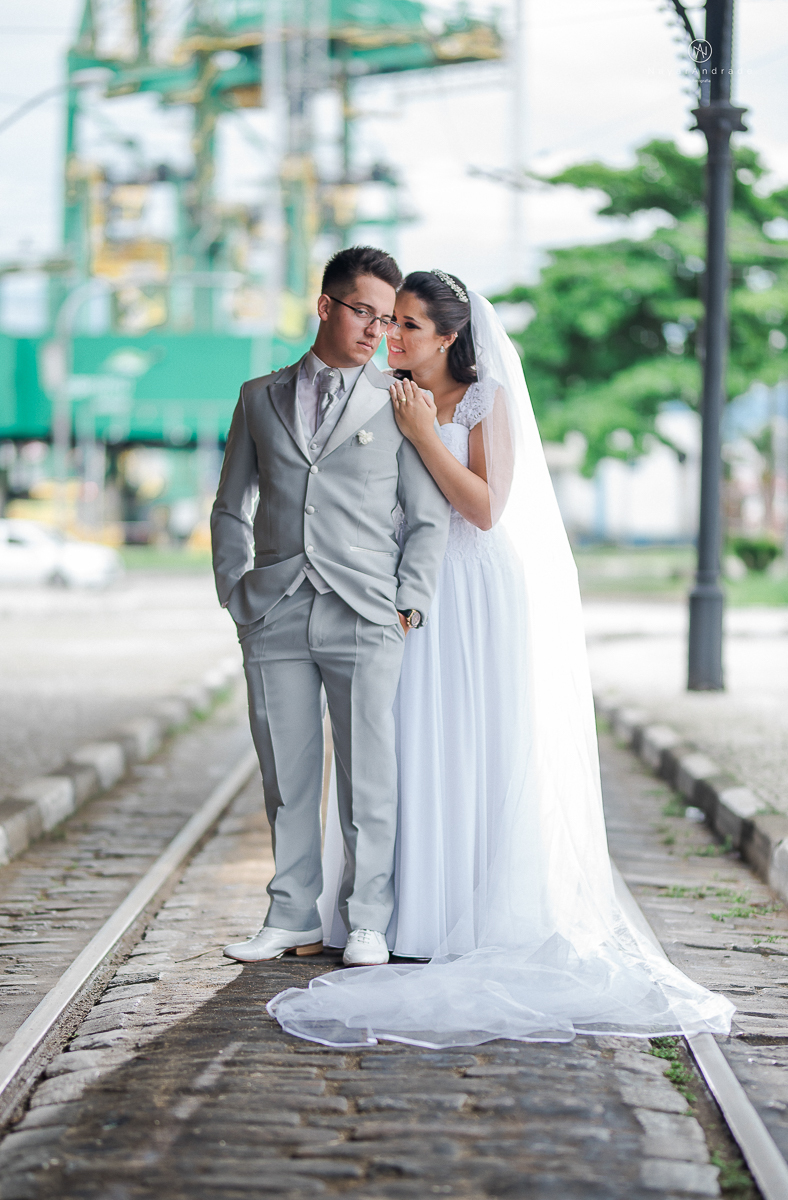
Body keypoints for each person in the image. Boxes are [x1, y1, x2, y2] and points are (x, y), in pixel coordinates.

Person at [269, 270, 735, 1048]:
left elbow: (486, 508)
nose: (394, 336)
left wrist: (423, 434)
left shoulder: (480, 403)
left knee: (473, 748)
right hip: (402, 590)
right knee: (393, 747)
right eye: (391, 323)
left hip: (477, 592)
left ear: (450, 338)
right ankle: (379, 914)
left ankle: (467, 912)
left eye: (410, 326)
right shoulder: (380, 390)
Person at [211, 247, 450, 970]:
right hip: (275, 607)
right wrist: (235, 591)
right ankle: (289, 916)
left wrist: (410, 602)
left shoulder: (399, 398)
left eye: (387, 319)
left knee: (368, 774)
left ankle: (368, 918)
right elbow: (230, 505)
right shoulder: (259, 395)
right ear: (326, 307)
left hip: (366, 611)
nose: (377, 330)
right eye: (365, 313)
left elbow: (428, 515)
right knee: (287, 773)